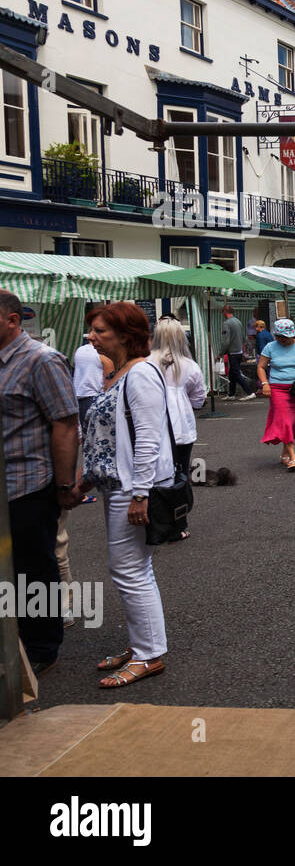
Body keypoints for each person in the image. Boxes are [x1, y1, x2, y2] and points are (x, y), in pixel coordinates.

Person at [74, 301, 175, 688]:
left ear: (125, 335)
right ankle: (143, 645)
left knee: (130, 571)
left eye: (100, 330)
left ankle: (149, 654)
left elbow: (149, 439)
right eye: (92, 330)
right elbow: (109, 438)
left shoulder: (140, 374)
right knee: (133, 569)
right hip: (117, 486)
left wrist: (140, 494)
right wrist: (88, 480)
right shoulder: (120, 373)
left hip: (131, 488)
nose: (91, 336)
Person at [0, 289, 79, 676]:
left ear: (12, 320)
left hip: (28, 483)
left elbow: (65, 422)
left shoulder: (41, 360)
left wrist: (64, 486)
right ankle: (11, 636)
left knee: (34, 567)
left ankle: (42, 647)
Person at [148, 317, 206, 541]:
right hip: (181, 428)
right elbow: (199, 399)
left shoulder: (146, 363)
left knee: (153, 476)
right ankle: (179, 522)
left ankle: (155, 519)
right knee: (179, 476)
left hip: (152, 427)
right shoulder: (189, 366)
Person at [257, 319, 295, 471]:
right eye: (278, 336)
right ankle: (293, 458)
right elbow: (261, 367)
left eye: (284, 336)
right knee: (285, 421)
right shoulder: (270, 347)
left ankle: (284, 455)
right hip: (277, 389)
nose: (281, 339)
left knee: (291, 423)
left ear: (292, 334)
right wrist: (265, 384)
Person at [74, 308, 112, 428]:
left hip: (79, 398)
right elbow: (109, 386)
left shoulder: (80, 350)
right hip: (96, 399)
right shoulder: (104, 356)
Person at [220, 305, 257, 400]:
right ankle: (231, 394)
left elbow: (226, 341)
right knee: (232, 374)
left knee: (236, 373)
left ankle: (250, 392)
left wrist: (221, 353)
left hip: (232, 352)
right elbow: (243, 337)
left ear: (225, 311)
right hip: (239, 351)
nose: (222, 313)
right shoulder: (238, 321)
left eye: (222, 311)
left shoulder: (226, 323)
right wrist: (243, 348)